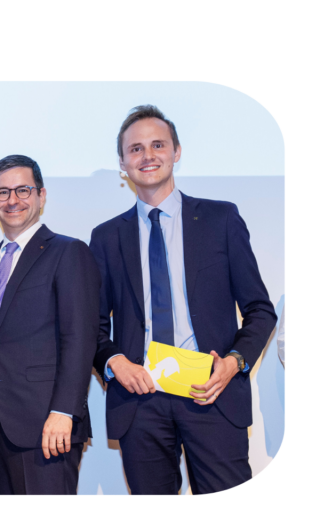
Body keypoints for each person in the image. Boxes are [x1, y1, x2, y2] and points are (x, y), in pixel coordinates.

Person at [90, 105, 277, 494]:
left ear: (176, 151)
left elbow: (260, 310)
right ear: (122, 163)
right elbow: (92, 325)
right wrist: (114, 361)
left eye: (158, 145)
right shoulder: (106, 237)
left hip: (210, 392)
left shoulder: (221, 219)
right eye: (136, 149)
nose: (148, 156)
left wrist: (233, 363)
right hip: (139, 400)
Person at [0, 154, 100, 495]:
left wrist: (64, 411)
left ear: (42, 196)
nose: (12, 200)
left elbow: (80, 339)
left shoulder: (68, 253)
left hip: (48, 426)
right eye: (2, 192)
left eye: (23, 190)